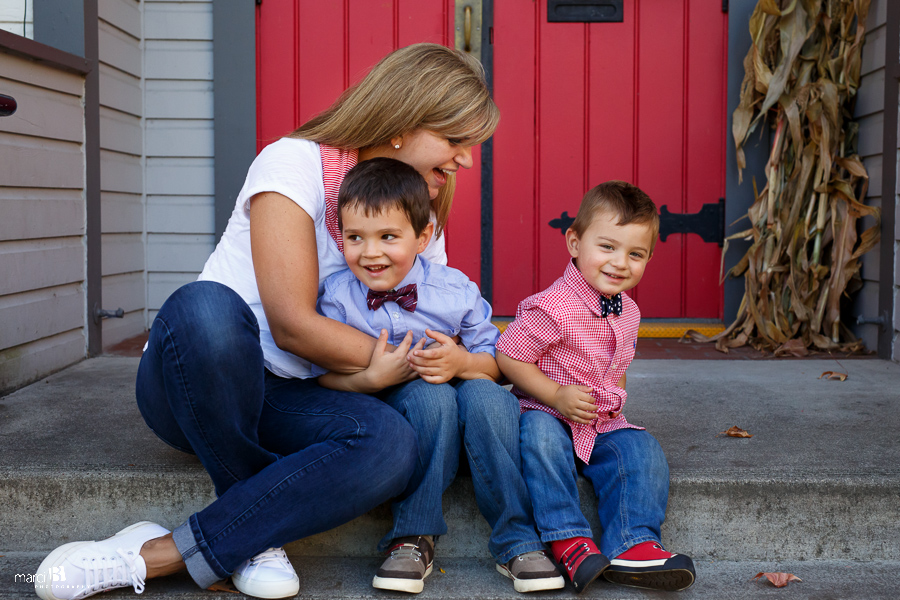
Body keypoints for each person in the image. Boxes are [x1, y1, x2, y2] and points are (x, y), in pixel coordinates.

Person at [35, 43, 499, 600]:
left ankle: (157, 553)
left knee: (391, 445)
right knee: (205, 307)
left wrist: (454, 363)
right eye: (455, 140)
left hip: (300, 395)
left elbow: (433, 324)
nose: (466, 159)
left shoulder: (419, 209)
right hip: (208, 380)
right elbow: (293, 326)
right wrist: (405, 362)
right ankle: (254, 529)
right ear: (404, 124)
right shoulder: (294, 161)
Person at [312, 157, 564, 594]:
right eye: (356, 238)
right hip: (397, 412)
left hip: (474, 422)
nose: (370, 252)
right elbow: (319, 378)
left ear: (422, 236)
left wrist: (463, 364)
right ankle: (412, 535)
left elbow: (500, 362)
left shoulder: (454, 290)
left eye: (388, 237)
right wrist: (370, 377)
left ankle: (518, 538)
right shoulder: (336, 299)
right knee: (432, 398)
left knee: (490, 398)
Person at [495, 181, 696, 593]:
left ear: (648, 258)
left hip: (598, 420)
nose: (620, 262)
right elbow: (508, 354)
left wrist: (615, 404)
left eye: (635, 254)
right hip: (547, 410)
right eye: (607, 247)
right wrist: (554, 394)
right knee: (540, 440)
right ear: (574, 242)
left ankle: (633, 543)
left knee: (642, 450)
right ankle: (568, 539)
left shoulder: (630, 311)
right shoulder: (550, 307)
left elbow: (616, 365)